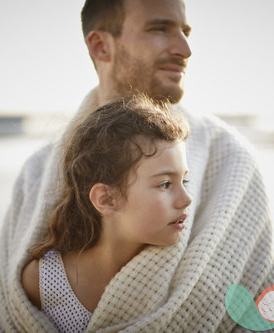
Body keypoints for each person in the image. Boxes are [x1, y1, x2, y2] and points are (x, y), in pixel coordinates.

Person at [0, 0, 274, 331]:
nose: (185, 49)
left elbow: (262, 310)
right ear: (101, 46)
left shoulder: (233, 160)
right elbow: (7, 313)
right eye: (159, 29)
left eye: (185, 32)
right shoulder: (37, 171)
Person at [22, 95, 191, 332]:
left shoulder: (185, 275)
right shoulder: (42, 280)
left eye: (185, 180)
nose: (187, 199)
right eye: (165, 184)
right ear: (106, 199)